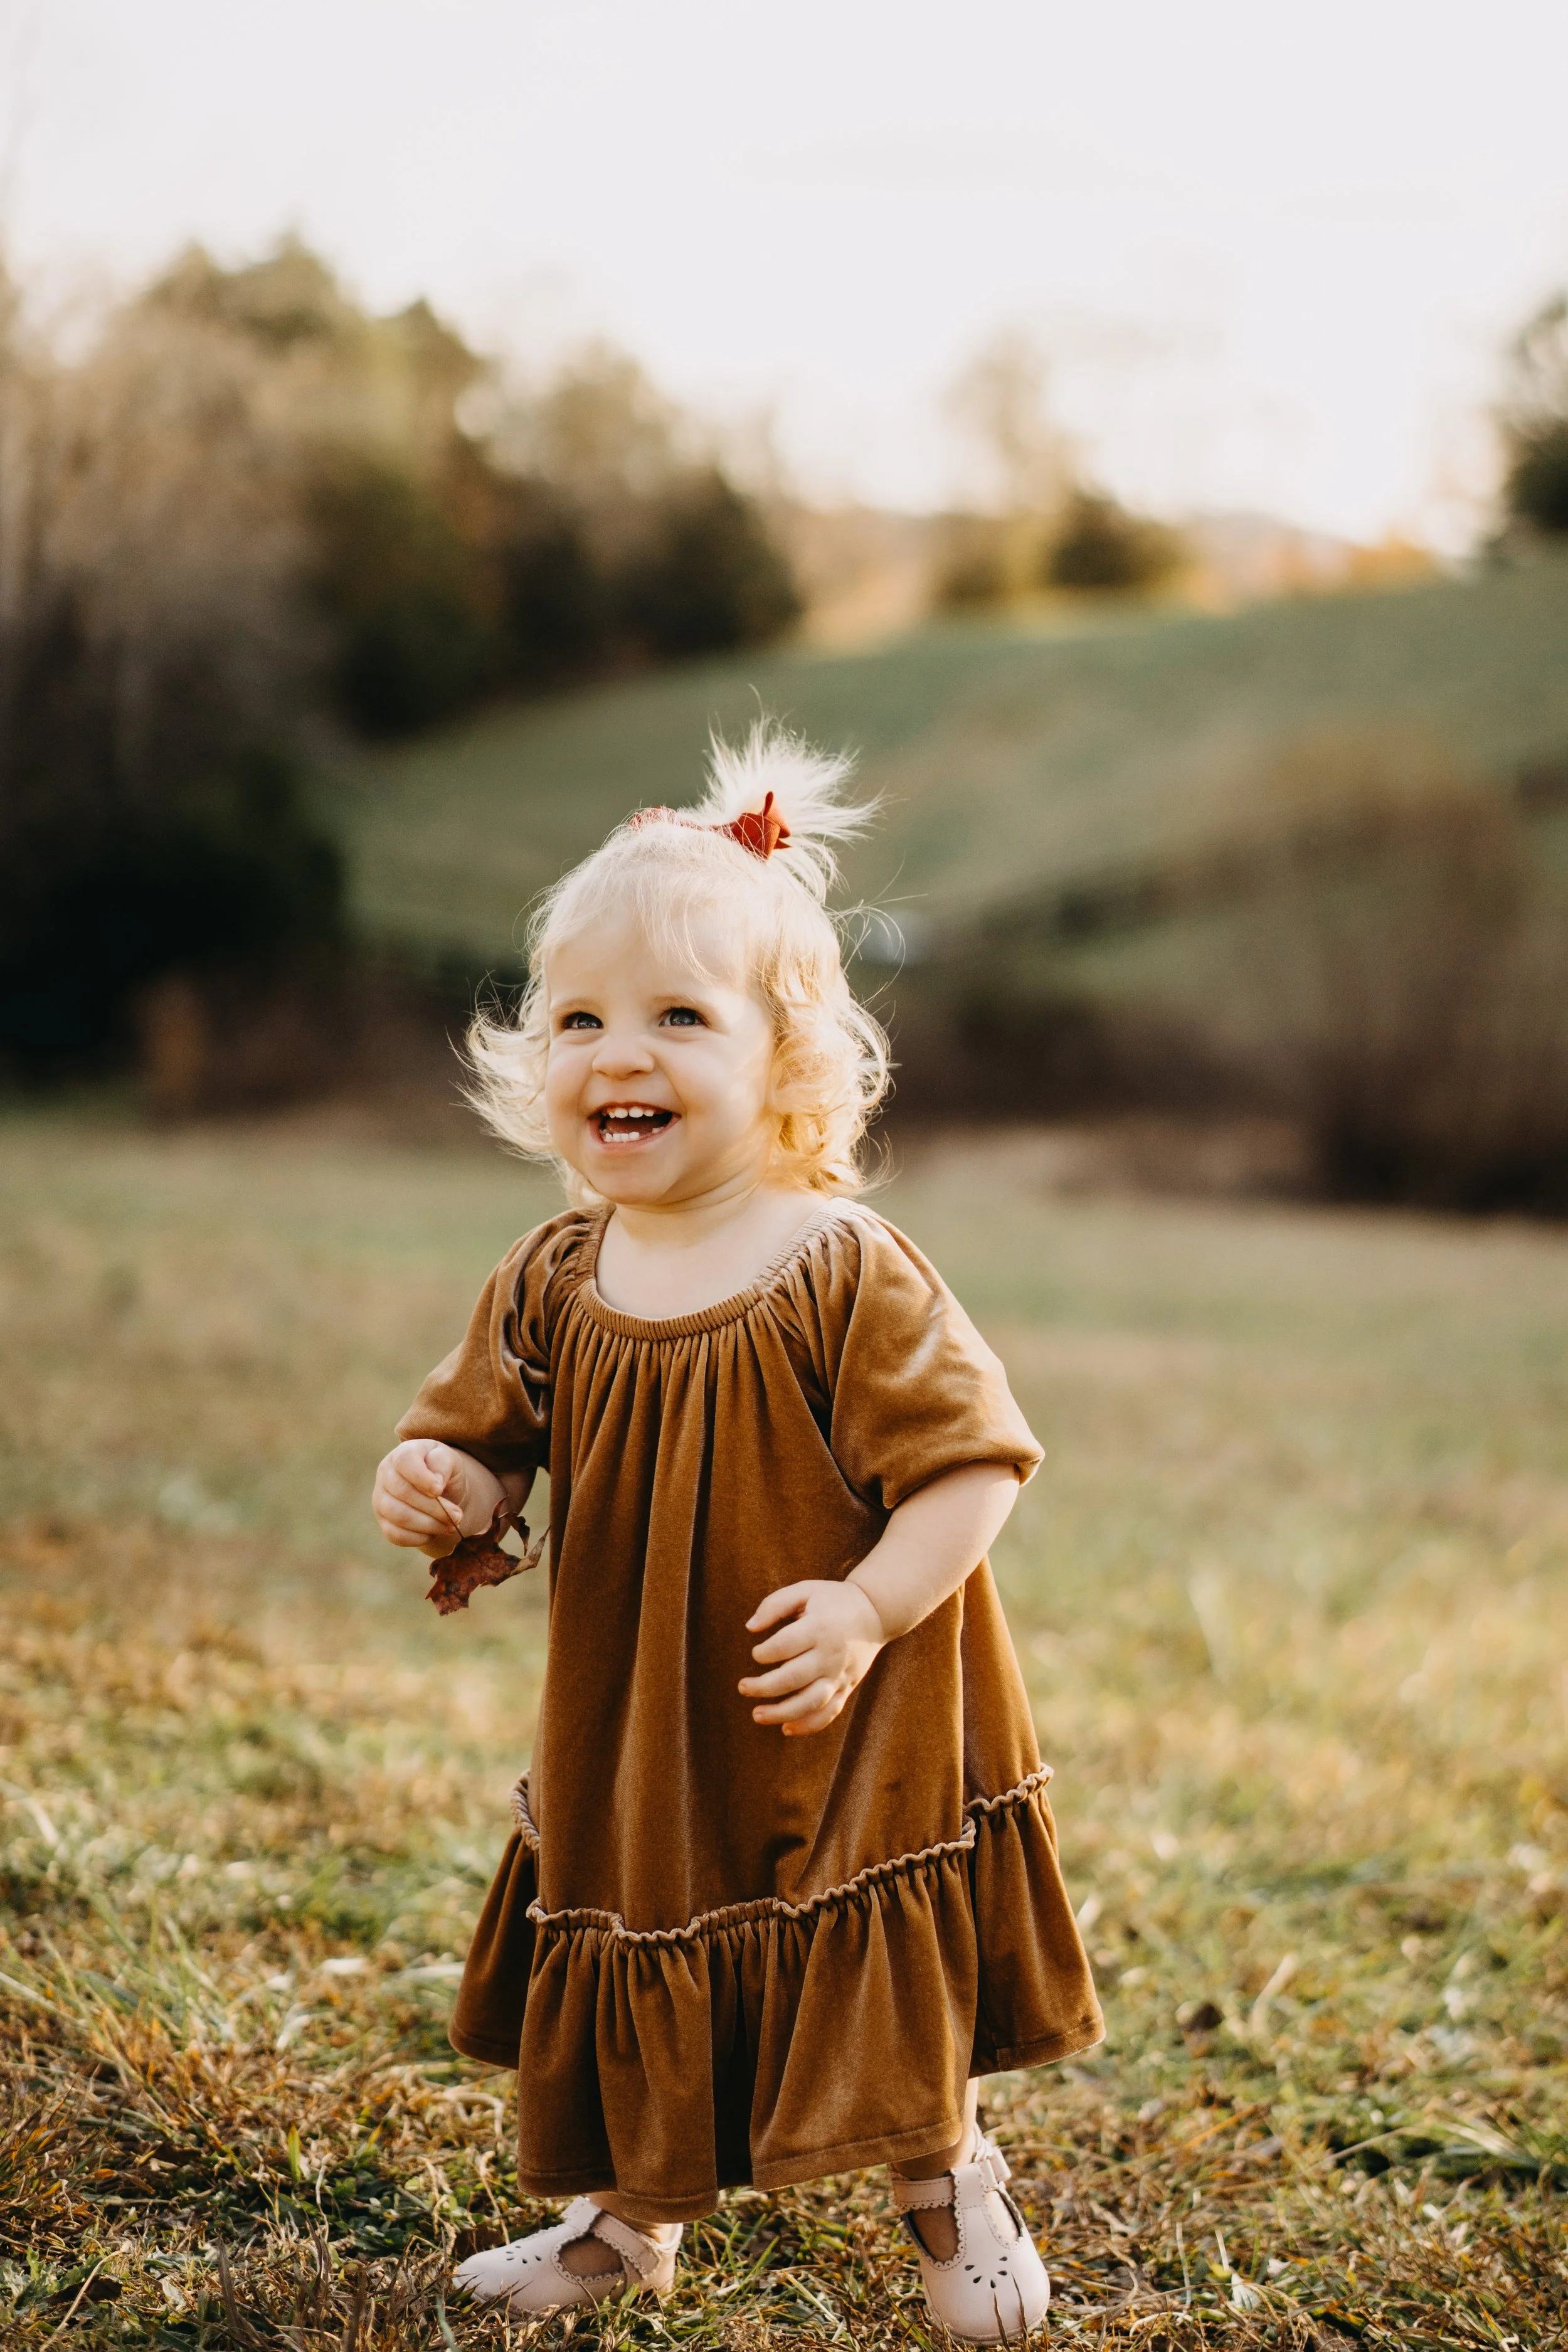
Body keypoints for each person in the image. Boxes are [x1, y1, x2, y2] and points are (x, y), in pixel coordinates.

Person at [371, 724, 1102, 2342]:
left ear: (785, 1060)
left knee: (867, 1917)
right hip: (648, 1719)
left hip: (852, 1693)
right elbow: (482, 1445)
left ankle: (945, 2173)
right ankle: (628, 2222)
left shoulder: (843, 1266)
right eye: (580, 1019)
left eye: (676, 1018)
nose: (616, 1056)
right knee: (646, 1917)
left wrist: (867, 1611)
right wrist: (449, 1489)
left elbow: (974, 1467)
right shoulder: (556, 1277)